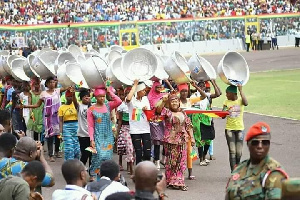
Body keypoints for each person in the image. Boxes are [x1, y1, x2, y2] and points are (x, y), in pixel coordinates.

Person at [226, 122, 289, 200]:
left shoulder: (273, 172)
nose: (260, 146)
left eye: (265, 143)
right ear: (248, 144)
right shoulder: (239, 169)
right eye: (255, 142)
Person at [156, 94, 194, 191]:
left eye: (176, 101)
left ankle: (179, 181)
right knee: (171, 161)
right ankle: (170, 180)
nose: (174, 103)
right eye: (172, 101)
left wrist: (192, 138)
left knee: (181, 161)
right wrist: (164, 101)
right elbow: (158, 111)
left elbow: (188, 126)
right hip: (170, 140)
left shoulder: (183, 113)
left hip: (182, 139)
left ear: (179, 103)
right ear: (169, 103)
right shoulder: (167, 112)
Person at [24, 77, 68, 162]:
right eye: (50, 82)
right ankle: (50, 154)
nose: (52, 84)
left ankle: (57, 152)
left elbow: (66, 87)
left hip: (57, 116)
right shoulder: (43, 94)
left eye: (53, 82)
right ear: (47, 84)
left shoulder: (57, 91)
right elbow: (37, 105)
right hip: (48, 117)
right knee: (50, 135)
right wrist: (26, 106)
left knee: (58, 134)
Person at [87, 86, 122, 181]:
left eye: (103, 96)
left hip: (108, 135)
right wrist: (91, 139)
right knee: (98, 155)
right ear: (95, 97)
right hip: (98, 135)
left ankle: (105, 175)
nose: (102, 98)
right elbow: (90, 125)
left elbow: (119, 101)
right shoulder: (91, 109)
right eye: (99, 96)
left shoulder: (108, 105)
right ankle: (93, 173)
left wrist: (109, 91)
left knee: (107, 156)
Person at [223, 85, 248, 171]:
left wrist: (241, 90)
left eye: (227, 93)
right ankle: (234, 172)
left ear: (233, 93)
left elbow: (246, 103)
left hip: (240, 129)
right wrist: (224, 111)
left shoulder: (240, 101)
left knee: (239, 152)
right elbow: (223, 115)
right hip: (229, 129)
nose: (226, 95)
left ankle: (237, 168)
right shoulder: (226, 102)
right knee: (232, 151)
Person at [126, 81, 152, 165]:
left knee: (147, 153)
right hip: (135, 130)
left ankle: (148, 170)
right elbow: (128, 99)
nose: (145, 92)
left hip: (146, 129)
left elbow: (148, 112)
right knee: (138, 153)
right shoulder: (132, 100)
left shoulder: (145, 99)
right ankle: (139, 172)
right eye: (143, 90)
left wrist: (145, 110)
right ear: (138, 91)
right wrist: (135, 85)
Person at [147, 80, 166, 169]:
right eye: (157, 87)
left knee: (165, 141)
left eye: (160, 87)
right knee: (157, 141)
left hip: (163, 120)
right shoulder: (150, 97)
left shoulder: (164, 95)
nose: (159, 89)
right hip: (154, 121)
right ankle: (157, 161)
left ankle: (163, 159)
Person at [116, 88, 134, 174]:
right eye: (126, 93)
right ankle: (131, 169)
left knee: (132, 148)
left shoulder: (135, 105)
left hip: (134, 128)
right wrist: (118, 132)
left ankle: (129, 165)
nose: (127, 95)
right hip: (125, 128)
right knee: (128, 148)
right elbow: (120, 121)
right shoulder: (122, 106)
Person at [58, 89, 80, 160]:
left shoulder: (76, 104)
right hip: (66, 128)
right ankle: (68, 165)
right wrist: (61, 133)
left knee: (77, 149)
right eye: (68, 96)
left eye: (71, 96)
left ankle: (76, 165)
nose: (70, 98)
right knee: (69, 149)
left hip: (76, 126)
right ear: (65, 97)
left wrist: (73, 94)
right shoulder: (61, 107)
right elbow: (61, 121)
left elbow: (76, 105)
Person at [73, 88, 92, 169]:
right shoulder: (80, 106)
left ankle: (92, 172)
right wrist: (73, 93)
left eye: (88, 96)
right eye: (85, 96)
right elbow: (74, 102)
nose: (87, 98)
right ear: (81, 98)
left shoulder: (93, 106)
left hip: (92, 135)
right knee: (84, 153)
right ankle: (80, 170)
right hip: (82, 134)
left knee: (92, 155)